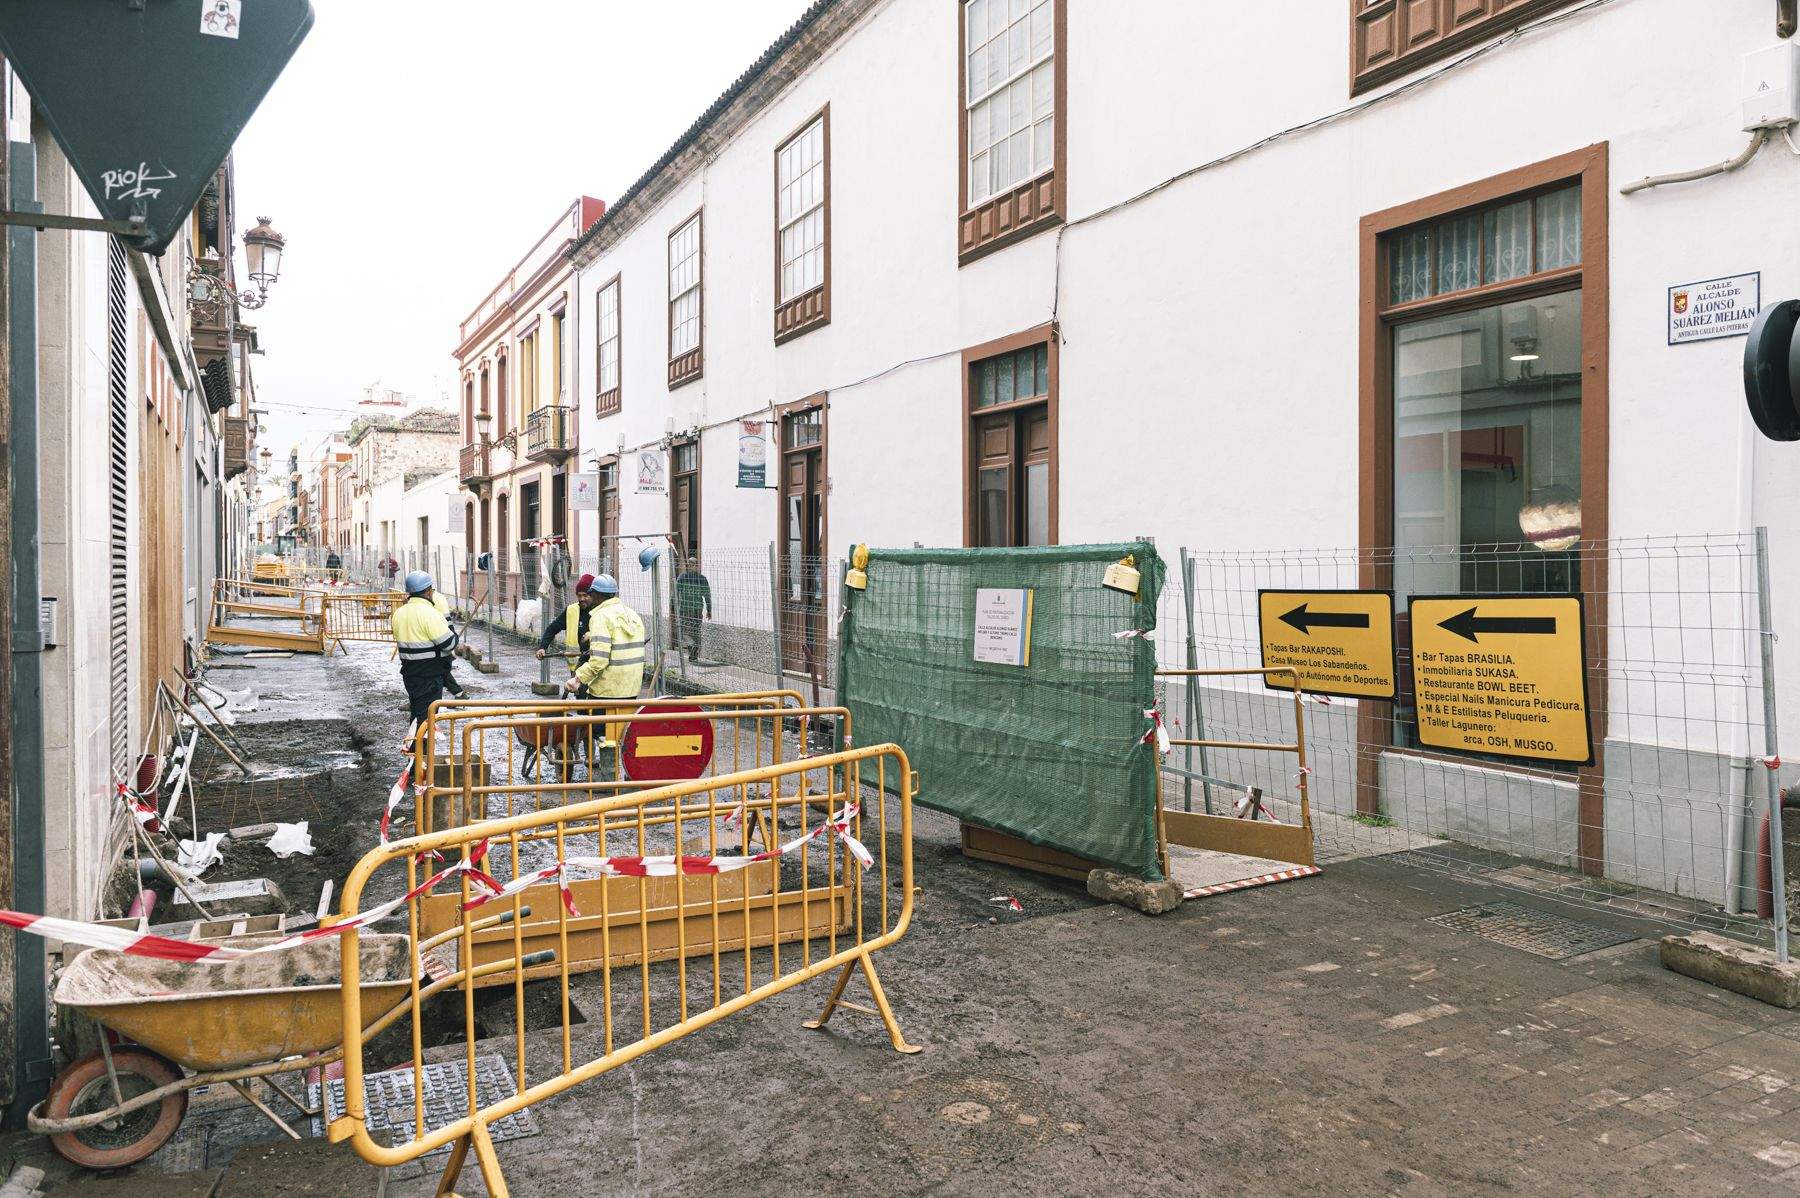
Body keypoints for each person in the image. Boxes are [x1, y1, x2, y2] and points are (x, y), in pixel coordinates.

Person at [566, 574, 646, 745]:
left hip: (607, 691)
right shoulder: (633, 615)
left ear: (596, 595)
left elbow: (599, 660)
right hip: (631, 689)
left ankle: (608, 770)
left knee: (600, 732)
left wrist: (578, 678)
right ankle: (617, 767)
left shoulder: (601, 617)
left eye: (591, 593)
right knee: (622, 734)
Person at [391, 570, 458, 732]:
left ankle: (415, 752)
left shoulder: (399, 613)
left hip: (410, 674)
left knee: (416, 715)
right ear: (428, 591)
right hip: (430, 676)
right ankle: (420, 753)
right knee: (426, 720)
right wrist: (449, 627)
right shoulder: (430, 614)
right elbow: (449, 643)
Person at [536, 573, 601, 678]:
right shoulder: (572, 610)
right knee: (579, 693)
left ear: (593, 595)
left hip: (596, 667)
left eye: (585, 595)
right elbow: (553, 628)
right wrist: (542, 647)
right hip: (577, 667)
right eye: (579, 595)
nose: (582, 599)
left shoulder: (601, 611)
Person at [673, 556, 711, 661]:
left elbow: (675, 594)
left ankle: (691, 646)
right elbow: (707, 595)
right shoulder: (702, 579)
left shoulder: (682, 577)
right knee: (696, 631)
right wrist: (709, 610)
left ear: (688, 566)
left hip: (685, 610)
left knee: (683, 630)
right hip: (698, 609)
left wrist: (672, 606)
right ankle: (694, 655)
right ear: (696, 566)